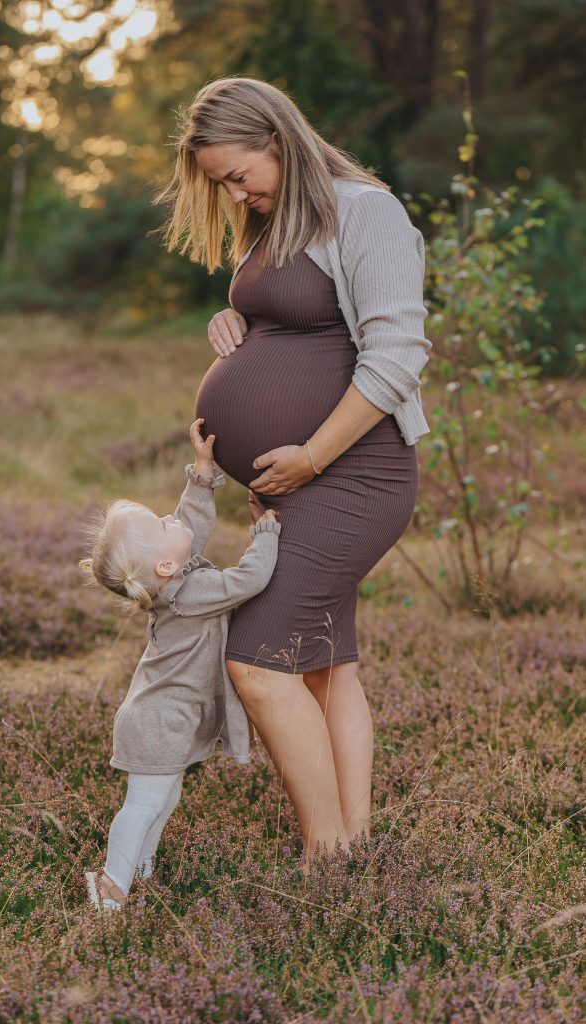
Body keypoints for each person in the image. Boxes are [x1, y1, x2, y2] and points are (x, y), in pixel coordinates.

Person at [152, 76, 432, 865]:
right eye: (220, 184)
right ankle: (354, 844)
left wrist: (311, 453)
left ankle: (324, 853)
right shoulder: (273, 219)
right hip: (290, 484)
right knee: (323, 664)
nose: (234, 194)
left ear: (277, 140)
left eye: (239, 174)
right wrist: (237, 314)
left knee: (256, 659)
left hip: (352, 474)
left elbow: (397, 354)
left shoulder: (364, 210)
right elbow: (297, 313)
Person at [79, 418, 281, 910]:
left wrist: (201, 472)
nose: (174, 521)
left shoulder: (175, 576)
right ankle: (110, 889)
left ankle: (139, 872)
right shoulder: (192, 592)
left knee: (163, 801)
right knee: (144, 805)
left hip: (162, 716)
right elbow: (247, 581)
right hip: (157, 721)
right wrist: (266, 534)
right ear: (165, 567)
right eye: (163, 525)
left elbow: (191, 522)